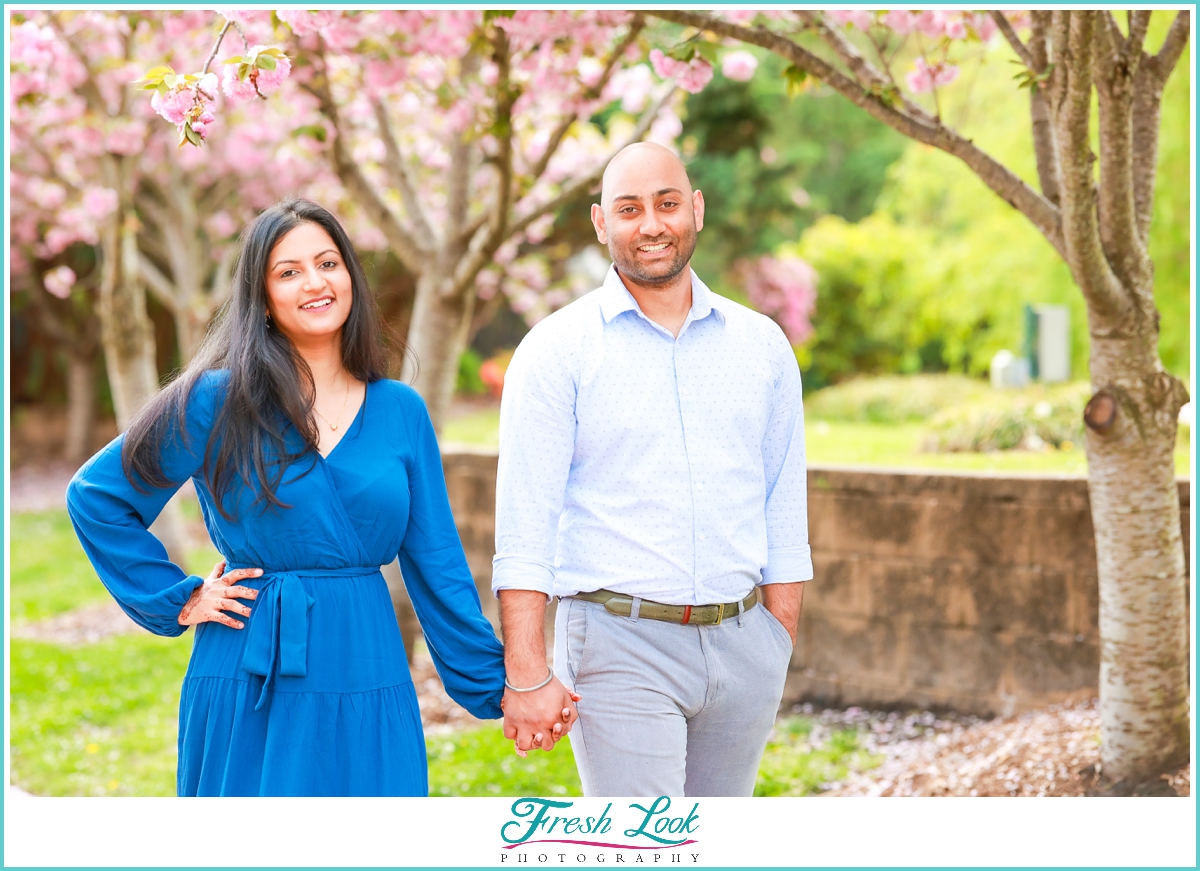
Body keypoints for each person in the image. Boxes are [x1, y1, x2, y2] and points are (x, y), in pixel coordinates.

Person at [66, 198, 518, 796]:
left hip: (368, 663)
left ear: (350, 275)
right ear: (263, 296)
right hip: (250, 663)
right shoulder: (215, 401)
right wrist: (180, 598)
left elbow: (438, 565)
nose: (315, 282)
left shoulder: (399, 410)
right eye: (288, 271)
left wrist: (501, 688)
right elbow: (97, 497)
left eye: (328, 263)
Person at [493, 142, 811, 797]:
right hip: (618, 644)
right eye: (629, 208)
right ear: (600, 222)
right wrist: (526, 668)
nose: (652, 224)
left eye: (667, 203)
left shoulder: (763, 347)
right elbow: (526, 525)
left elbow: (784, 505)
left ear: (695, 208)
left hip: (744, 642)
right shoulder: (556, 351)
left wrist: (775, 640)